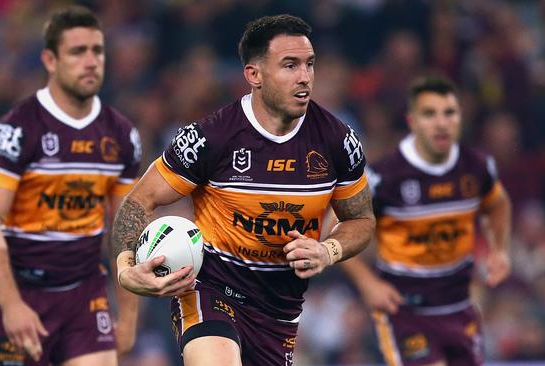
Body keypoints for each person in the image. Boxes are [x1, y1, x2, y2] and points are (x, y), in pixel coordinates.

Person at [111, 14, 375, 366]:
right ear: (254, 75)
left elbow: (361, 220)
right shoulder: (210, 138)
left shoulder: (339, 142)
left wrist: (328, 251)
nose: (304, 77)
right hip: (210, 292)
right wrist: (126, 268)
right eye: (289, 65)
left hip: (279, 314)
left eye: (309, 64)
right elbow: (138, 201)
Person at [0, 6, 141, 366]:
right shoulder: (18, 128)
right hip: (23, 293)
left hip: (85, 296)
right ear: (50, 59)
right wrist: (11, 304)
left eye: (97, 50)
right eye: (78, 52)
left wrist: (129, 315)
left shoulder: (121, 134)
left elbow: (127, 227)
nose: (91, 61)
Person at [340, 76, 512, 366]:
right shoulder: (385, 176)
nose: (441, 122)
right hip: (406, 311)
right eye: (430, 114)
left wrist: (499, 249)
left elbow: (497, 203)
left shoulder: (477, 167)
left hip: (460, 306)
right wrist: (367, 282)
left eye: (449, 113)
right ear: (412, 121)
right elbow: (338, 226)